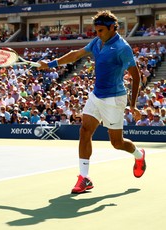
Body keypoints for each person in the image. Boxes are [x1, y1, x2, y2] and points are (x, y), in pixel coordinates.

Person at [39, 10, 146, 194]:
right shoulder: (97, 41)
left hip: (114, 99)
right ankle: (84, 178)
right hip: (96, 96)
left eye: (101, 31)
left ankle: (138, 154)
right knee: (84, 130)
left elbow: (136, 77)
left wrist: (133, 105)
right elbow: (76, 54)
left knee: (117, 143)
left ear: (113, 28)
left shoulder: (123, 47)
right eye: (96, 31)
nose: (98, 34)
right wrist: (50, 64)